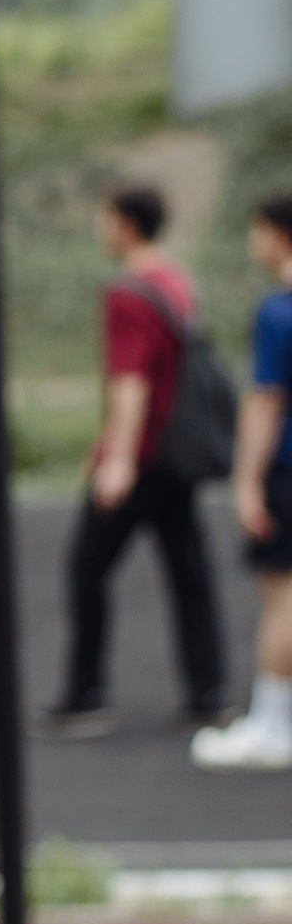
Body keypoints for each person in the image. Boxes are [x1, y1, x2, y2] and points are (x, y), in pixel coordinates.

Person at [36, 181, 226, 740]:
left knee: (86, 568)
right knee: (189, 572)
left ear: (125, 224)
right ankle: (207, 692)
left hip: (142, 453)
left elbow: (130, 381)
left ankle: (85, 693)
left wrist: (115, 458)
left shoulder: (128, 294)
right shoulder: (178, 281)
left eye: (106, 218)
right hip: (179, 448)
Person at [193, 192, 292, 769]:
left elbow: (265, 401)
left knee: (282, 595)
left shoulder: (278, 311)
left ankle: (273, 725)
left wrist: (247, 481)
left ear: (278, 234)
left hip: (288, 468)